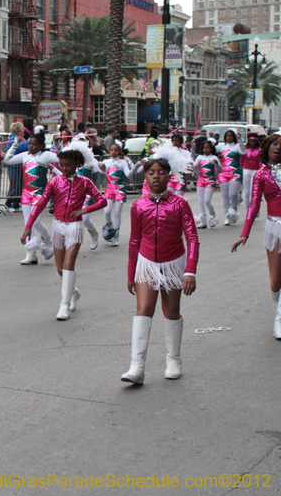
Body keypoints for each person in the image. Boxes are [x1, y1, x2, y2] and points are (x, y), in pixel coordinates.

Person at [121, 145, 198, 385]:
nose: (156, 176)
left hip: (174, 262)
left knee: (171, 311)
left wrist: (190, 271)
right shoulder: (138, 206)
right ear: (145, 175)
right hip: (146, 263)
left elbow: (192, 238)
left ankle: (174, 359)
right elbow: (134, 241)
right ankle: (137, 367)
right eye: (151, 172)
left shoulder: (180, 204)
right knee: (143, 308)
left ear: (169, 175)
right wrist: (131, 273)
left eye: (161, 172)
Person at [20, 140, 105, 319]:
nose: (64, 168)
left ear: (77, 164)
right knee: (60, 269)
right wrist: (28, 227)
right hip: (57, 225)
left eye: (69, 165)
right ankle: (73, 293)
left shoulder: (85, 182)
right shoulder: (54, 182)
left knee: (68, 264)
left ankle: (64, 305)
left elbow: (102, 200)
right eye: (62, 165)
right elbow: (40, 204)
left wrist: (84, 210)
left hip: (75, 226)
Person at [232, 133, 281, 338]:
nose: (278, 147)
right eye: (275, 144)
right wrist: (245, 233)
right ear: (267, 147)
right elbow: (253, 205)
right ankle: (278, 304)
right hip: (274, 227)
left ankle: (279, 320)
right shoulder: (260, 175)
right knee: (276, 281)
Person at [4, 130, 60, 265]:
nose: (30, 146)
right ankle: (31, 253)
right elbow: (7, 160)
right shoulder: (24, 155)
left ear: (41, 146)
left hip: (40, 194)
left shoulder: (47, 155)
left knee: (35, 222)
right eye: (29, 143)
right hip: (26, 194)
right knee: (28, 224)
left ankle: (48, 242)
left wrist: (57, 144)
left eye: (34, 144)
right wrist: (15, 143)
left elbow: (63, 158)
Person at [98, 142, 133, 246]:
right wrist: (99, 165)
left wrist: (137, 166)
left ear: (119, 151)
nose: (113, 152)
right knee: (107, 211)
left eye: (116, 150)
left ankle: (116, 236)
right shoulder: (105, 162)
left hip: (120, 190)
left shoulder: (123, 162)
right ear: (109, 151)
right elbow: (100, 170)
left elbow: (128, 174)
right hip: (109, 190)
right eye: (112, 150)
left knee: (117, 213)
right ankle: (110, 229)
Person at [217, 128, 246, 226]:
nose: (229, 137)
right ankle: (226, 215)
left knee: (233, 194)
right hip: (223, 173)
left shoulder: (237, 146)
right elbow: (211, 149)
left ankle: (234, 211)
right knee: (225, 195)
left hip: (235, 173)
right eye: (227, 136)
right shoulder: (221, 146)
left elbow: (243, 152)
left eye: (231, 136)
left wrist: (239, 139)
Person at [194, 139, 222, 229]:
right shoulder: (199, 157)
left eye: (207, 148)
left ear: (211, 149)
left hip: (210, 181)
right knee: (200, 201)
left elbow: (220, 170)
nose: (205, 149)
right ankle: (202, 221)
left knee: (207, 200)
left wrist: (216, 163)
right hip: (200, 181)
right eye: (204, 148)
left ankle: (213, 215)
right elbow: (194, 166)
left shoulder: (214, 158)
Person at [4, 122, 27, 212]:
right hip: (14, 166)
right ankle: (8, 203)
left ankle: (16, 203)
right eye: (22, 131)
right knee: (14, 185)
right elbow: (22, 147)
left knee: (20, 185)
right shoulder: (13, 139)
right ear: (18, 132)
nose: (23, 133)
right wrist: (29, 142)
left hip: (20, 165)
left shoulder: (22, 139)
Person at [242, 134, 262, 213]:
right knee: (246, 192)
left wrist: (260, 171)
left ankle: (254, 208)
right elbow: (241, 160)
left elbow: (260, 162)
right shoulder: (246, 150)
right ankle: (248, 208)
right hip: (246, 170)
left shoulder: (259, 150)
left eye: (254, 141)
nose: (252, 143)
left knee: (253, 191)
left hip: (255, 171)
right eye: (251, 141)